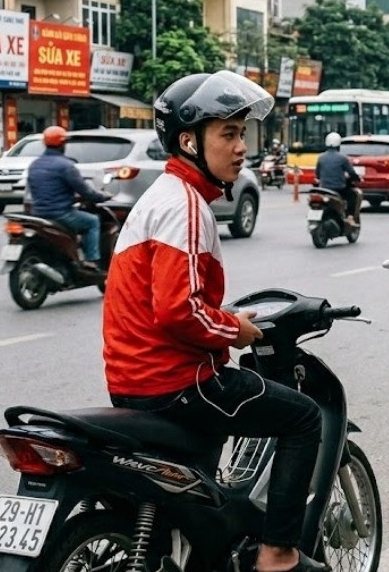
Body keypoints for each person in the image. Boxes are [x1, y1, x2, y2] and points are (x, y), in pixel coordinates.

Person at [102, 71, 326, 572]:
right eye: (228, 134)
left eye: (242, 133)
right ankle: (278, 554)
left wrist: (222, 318)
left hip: (133, 381)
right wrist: (237, 330)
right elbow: (178, 310)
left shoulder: (164, 198)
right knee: (303, 417)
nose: (241, 147)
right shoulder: (184, 205)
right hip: (180, 383)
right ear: (189, 141)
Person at [27, 125, 111, 271]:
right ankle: (91, 260)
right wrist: (102, 197)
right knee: (93, 222)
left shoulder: (35, 164)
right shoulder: (66, 166)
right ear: (62, 144)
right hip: (61, 214)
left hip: (38, 213)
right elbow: (86, 191)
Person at [315, 131, 361, 224]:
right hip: (339, 189)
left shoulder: (321, 157)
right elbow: (351, 173)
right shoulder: (342, 158)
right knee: (353, 195)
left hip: (323, 189)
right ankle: (350, 217)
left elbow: (317, 174)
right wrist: (356, 178)